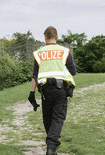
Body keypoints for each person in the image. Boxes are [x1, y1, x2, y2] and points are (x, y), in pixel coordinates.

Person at [28, 26, 76, 155]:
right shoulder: (64, 51)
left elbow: (35, 75)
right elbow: (73, 71)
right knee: (58, 118)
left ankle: (52, 146)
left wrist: (31, 93)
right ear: (57, 37)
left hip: (45, 89)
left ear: (45, 37)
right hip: (60, 89)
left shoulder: (39, 53)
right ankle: (51, 146)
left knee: (47, 118)